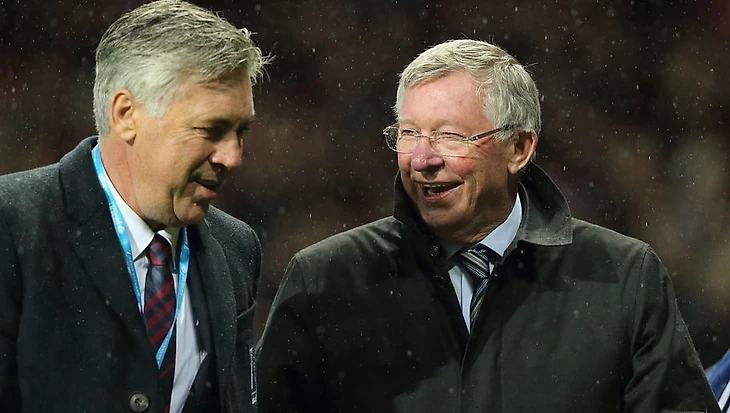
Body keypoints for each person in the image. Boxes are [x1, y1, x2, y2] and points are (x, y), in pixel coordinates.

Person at [256, 39, 719, 413]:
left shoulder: (623, 276)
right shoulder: (327, 280)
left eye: (450, 136)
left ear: (519, 148)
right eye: (409, 133)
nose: (422, 159)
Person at [0, 1, 267, 412]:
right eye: (210, 129)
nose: (232, 156)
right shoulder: (13, 225)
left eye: (240, 131)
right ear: (126, 115)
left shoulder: (236, 247)